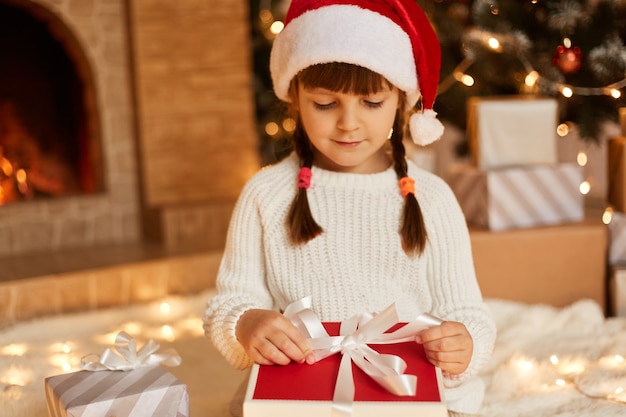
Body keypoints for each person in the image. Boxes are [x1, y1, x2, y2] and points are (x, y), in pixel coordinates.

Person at [203, 0, 496, 415]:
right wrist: (244, 324)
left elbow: (467, 313)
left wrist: (464, 345)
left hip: (404, 392)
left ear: (400, 102)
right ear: (296, 100)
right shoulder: (265, 194)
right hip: (298, 394)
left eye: (372, 103)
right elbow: (229, 302)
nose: (349, 123)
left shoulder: (431, 197)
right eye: (325, 104)